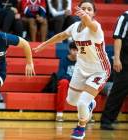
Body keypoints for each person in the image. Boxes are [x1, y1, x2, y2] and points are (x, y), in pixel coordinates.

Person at [33, 0, 111, 139]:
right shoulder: (75, 27)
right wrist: (44, 45)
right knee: (72, 101)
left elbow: (90, 23)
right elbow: (61, 36)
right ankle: (90, 104)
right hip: (81, 68)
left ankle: (81, 127)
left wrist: (85, 16)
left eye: (89, 9)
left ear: (94, 13)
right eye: (83, 8)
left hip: (99, 70)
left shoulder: (96, 27)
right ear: (78, 11)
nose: (86, 11)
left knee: (82, 103)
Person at [100, 10, 128, 130]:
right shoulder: (125, 17)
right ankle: (106, 120)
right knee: (118, 90)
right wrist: (117, 58)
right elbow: (118, 37)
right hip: (125, 60)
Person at [56, 41, 77, 122]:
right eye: (73, 50)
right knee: (63, 82)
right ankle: (59, 113)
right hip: (67, 82)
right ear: (69, 50)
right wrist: (73, 79)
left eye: (77, 50)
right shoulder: (64, 60)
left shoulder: (82, 61)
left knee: (89, 84)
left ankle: (88, 113)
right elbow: (61, 75)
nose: (75, 52)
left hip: (77, 83)